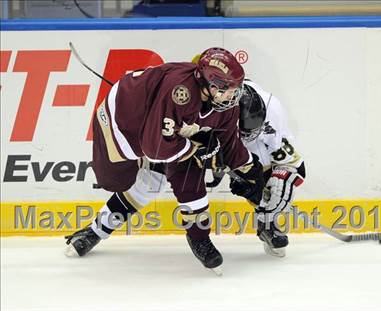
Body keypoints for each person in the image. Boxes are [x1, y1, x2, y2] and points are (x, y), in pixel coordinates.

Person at [64, 48, 265, 273]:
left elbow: (230, 146)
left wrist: (252, 173)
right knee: (115, 182)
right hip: (123, 124)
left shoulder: (225, 105)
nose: (234, 95)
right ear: (212, 84)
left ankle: (199, 239)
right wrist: (193, 149)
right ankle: (94, 230)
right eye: (230, 89)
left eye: (237, 88)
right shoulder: (180, 93)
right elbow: (155, 148)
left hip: (166, 132)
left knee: (160, 182)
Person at [229, 79, 306, 257]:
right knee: (252, 186)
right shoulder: (221, 114)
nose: (250, 136)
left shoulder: (273, 109)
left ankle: (267, 225)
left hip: (261, 127)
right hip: (231, 134)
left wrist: (270, 191)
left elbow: (295, 168)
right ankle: (266, 221)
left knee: (282, 180)